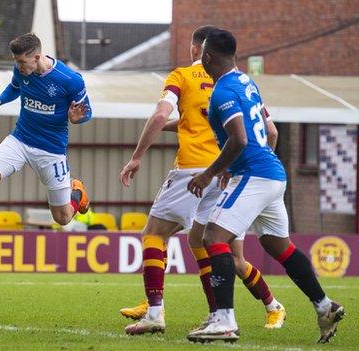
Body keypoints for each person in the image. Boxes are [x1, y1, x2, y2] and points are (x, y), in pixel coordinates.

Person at [118, 25, 284, 336]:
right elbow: (269, 131)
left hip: (191, 171)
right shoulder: (239, 84)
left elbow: (159, 116)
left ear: (197, 50)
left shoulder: (181, 76)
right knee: (204, 243)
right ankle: (219, 315)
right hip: (226, 174)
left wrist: (137, 155)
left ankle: (154, 311)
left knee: (154, 233)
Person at [186, 29, 344, 343]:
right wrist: (241, 166)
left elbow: (239, 139)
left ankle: (223, 321)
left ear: (207, 57)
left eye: (200, 53)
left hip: (256, 175)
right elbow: (269, 132)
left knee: (213, 236)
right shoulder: (247, 82)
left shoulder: (221, 92)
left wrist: (209, 173)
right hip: (273, 174)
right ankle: (324, 306)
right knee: (278, 246)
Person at [0, 33, 92, 265]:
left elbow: (86, 112)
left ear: (37, 57)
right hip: (19, 140)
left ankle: (77, 192)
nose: (18, 66)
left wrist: (76, 118)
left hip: (51, 151)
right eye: (16, 61)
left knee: (62, 218)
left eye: (21, 62)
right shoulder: (21, 71)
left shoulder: (70, 80)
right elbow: (14, 87)